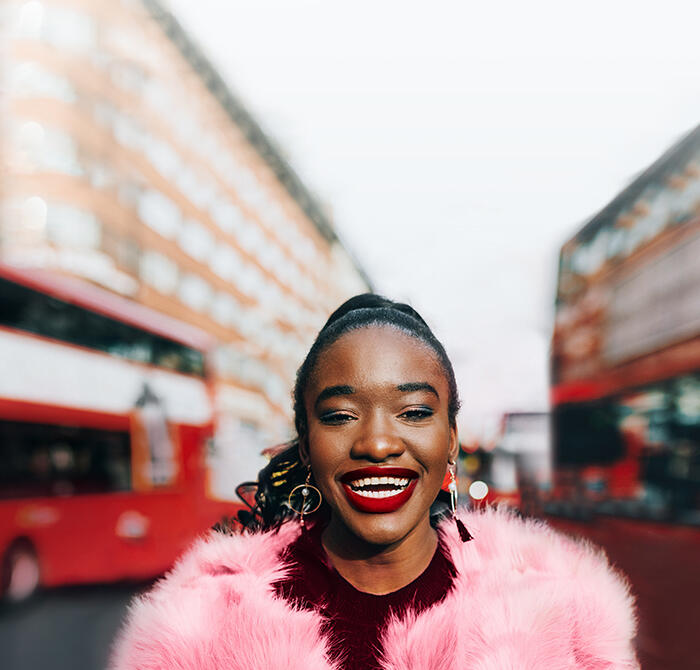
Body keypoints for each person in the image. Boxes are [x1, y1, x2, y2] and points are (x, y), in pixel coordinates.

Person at [110, 294, 639, 670]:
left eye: (413, 412)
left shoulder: (565, 619)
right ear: (306, 441)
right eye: (340, 415)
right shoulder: (195, 628)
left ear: (451, 439)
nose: (378, 443)